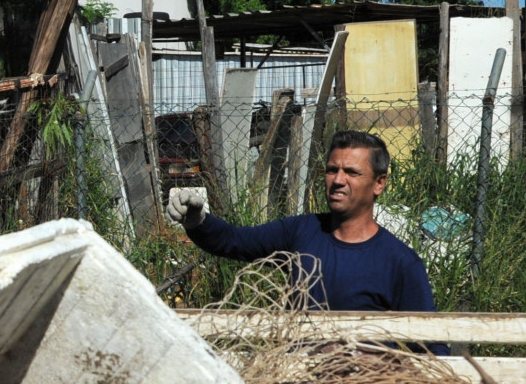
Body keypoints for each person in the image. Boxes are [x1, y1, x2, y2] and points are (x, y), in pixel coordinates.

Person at [166, 130, 436, 314]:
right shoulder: (301, 233)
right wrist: (197, 220)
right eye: (332, 170)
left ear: (379, 183)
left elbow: (430, 346)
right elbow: (234, 241)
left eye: (351, 172)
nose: (338, 180)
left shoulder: (400, 262)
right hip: (298, 381)